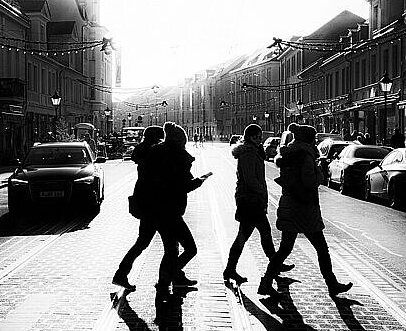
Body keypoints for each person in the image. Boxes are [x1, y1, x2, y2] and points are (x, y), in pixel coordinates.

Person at [258, 123, 352, 300]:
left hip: (289, 205)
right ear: (309, 139)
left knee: (285, 249)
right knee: (322, 249)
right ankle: (332, 284)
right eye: (314, 138)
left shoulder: (289, 153)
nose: (316, 141)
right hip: (305, 208)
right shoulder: (306, 156)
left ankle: (266, 281)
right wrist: (319, 174)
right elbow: (309, 181)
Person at [223, 124, 294, 285]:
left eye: (260, 136)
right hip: (250, 200)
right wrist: (261, 191)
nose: (259, 139)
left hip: (251, 199)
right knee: (251, 235)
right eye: (256, 136)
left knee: (258, 234)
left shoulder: (254, 151)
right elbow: (250, 179)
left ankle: (234, 268)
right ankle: (272, 266)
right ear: (248, 137)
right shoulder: (248, 153)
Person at [146, 122, 210, 298]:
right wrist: (199, 181)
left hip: (156, 208)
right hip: (171, 210)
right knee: (190, 248)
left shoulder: (157, 152)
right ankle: (166, 280)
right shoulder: (176, 157)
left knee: (171, 249)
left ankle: (173, 279)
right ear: (180, 141)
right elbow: (181, 186)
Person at [112, 125, 164, 291]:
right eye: (160, 138)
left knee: (143, 242)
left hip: (145, 200)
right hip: (155, 203)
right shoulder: (154, 153)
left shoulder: (142, 152)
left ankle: (121, 274)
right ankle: (174, 274)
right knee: (168, 243)